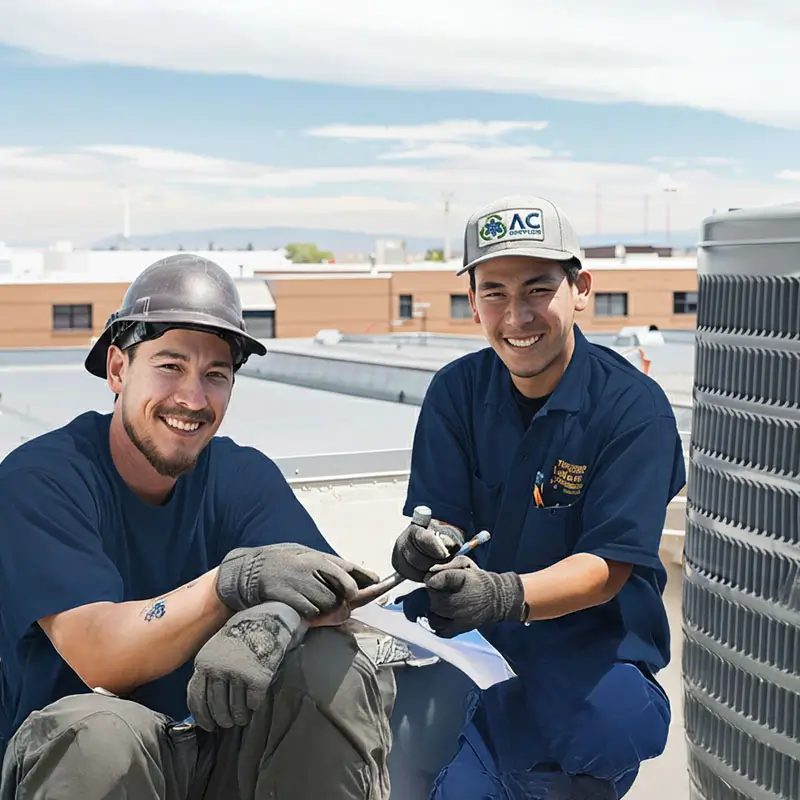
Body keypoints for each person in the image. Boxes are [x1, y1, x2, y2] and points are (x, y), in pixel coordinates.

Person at [0, 254, 395, 800]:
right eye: (170, 365)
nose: (192, 398)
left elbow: (328, 591)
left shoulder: (241, 475)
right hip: (88, 765)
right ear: (117, 369)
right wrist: (230, 586)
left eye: (216, 375)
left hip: (216, 752)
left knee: (331, 665)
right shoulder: (42, 479)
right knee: (103, 732)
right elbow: (100, 657)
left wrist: (265, 622)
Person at [391, 196, 686, 799]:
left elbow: (605, 568)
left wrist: (501, 595)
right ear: (472, 302)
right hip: (482, 648)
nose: (517, 315)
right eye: (494, 291)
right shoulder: (456, 393)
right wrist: (429, 547)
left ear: (580, 289)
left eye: (538, 289)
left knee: (611, 726)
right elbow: (443, 517)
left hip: (588, 650)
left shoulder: (632, 408)